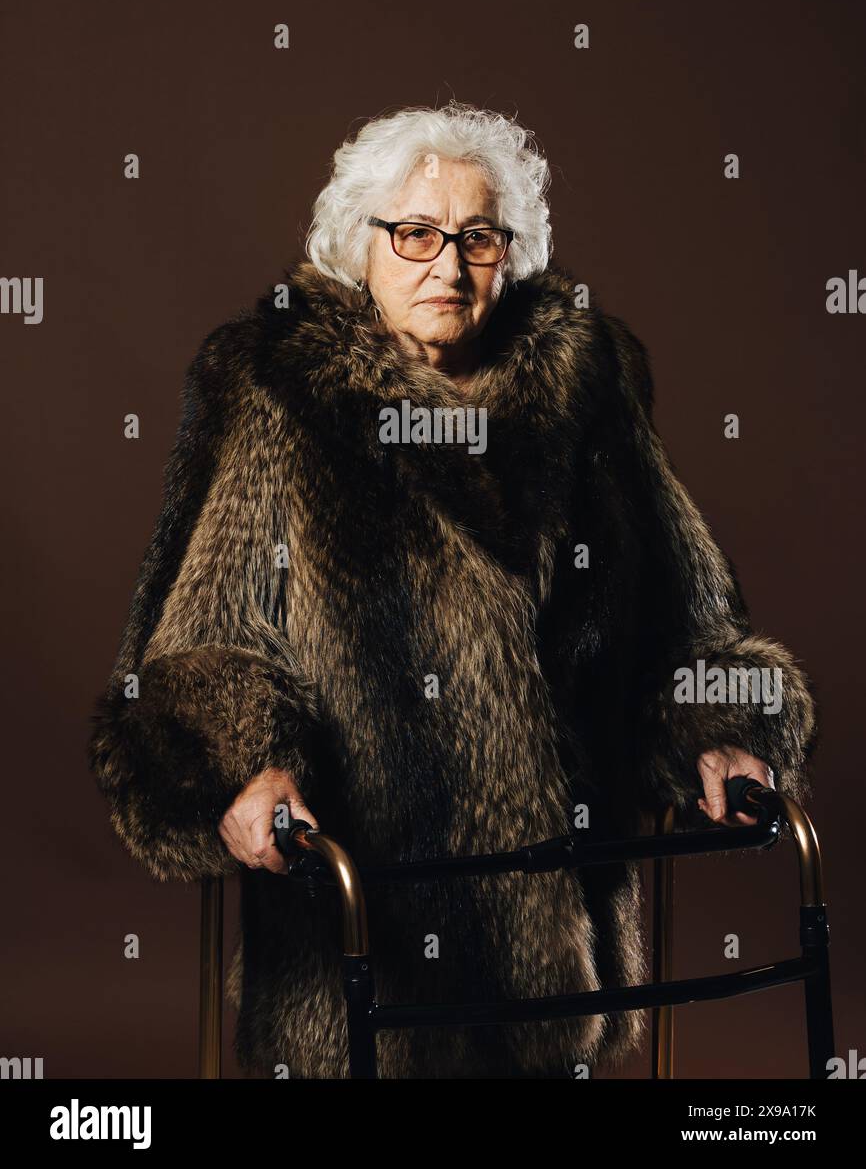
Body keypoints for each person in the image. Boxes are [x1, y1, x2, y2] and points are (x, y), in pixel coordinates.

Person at [87, 100, 818, 1079]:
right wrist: (245, 765)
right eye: (416, 233)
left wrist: (714, 731)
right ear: (360, 247)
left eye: (476, 236)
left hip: (555, 915)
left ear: (506, 255)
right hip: (365, 917)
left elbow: (674, 615)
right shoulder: (283, 392)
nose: (447, 263)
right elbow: (209, 636)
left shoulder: (582, 387)